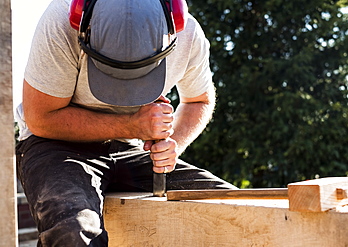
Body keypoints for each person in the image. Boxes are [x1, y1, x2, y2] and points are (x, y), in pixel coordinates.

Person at [15, 0, 237, 246]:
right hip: (56, 145)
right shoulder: (60, 22)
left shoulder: (187, 35)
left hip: (132, 148)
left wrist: (172, 144)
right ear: (84, 30)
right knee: (72, 232)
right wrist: (133, 125)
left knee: (235, 210)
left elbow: (199, 100)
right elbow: (41, 118)